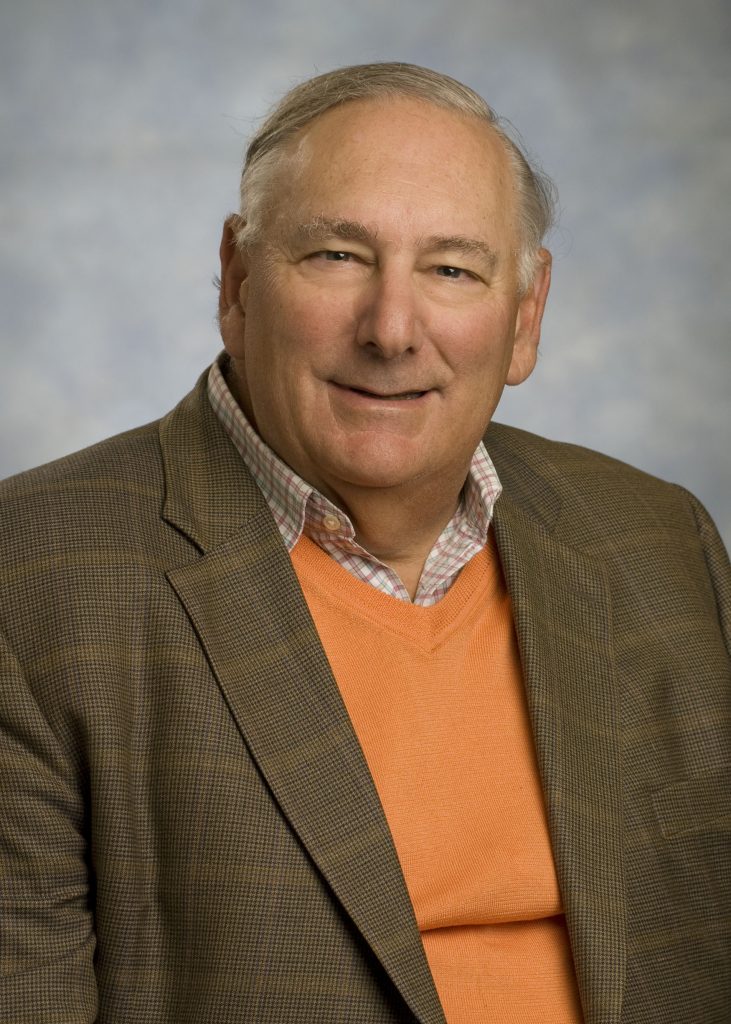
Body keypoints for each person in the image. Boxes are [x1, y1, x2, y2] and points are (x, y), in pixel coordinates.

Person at [0, 62, 728, 1024]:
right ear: (237, 278)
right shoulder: (32, 580)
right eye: (338, 256)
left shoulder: (654, 538)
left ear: (524, 315)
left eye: (452, 269)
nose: (391, 329)